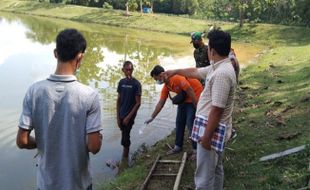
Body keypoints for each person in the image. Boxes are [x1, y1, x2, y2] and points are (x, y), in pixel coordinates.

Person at [16, 29, 102, 190]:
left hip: (46, 184)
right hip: (79, 184)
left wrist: (43, 142)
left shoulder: (34, 91)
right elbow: (94, 146)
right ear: (80, 56)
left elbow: (22, 141)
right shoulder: (89, 95)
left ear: (56, 53)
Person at [163, 29, 237, 190]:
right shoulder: (218, 67)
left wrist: (206, 138)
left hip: (212, 131)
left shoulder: (221, 74)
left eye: (209, 46)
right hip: (214, 129)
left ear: (212, 50)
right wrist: (175, 71)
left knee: (203, 178)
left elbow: (217, 109)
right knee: (216, 169)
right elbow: (195, 72)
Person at [145, 65, 203, 158]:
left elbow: (190, 90)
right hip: (185, 99)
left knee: (190, 123)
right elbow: (161, 102)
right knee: (179, 122)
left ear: (161, 75)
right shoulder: (166, 86)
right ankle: (178, 146)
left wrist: (197, 106)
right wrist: (152, 117)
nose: (157, 81)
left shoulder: (176, 78)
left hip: (194, 96)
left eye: (157, 79)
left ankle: (196, 150)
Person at [116, 61, 141, 158]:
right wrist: (118, 117)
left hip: (129, 116)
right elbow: (118, 100)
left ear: (133, 70)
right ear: (123, 70)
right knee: (124, 135)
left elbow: (138, 103)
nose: (129, 72)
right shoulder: (121, 83)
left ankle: (125, 160)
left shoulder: (136, 84)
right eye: (127, 70)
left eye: (131, 70)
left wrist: (128, 117)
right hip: (121, 114)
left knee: (125, 139)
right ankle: (125, 158)